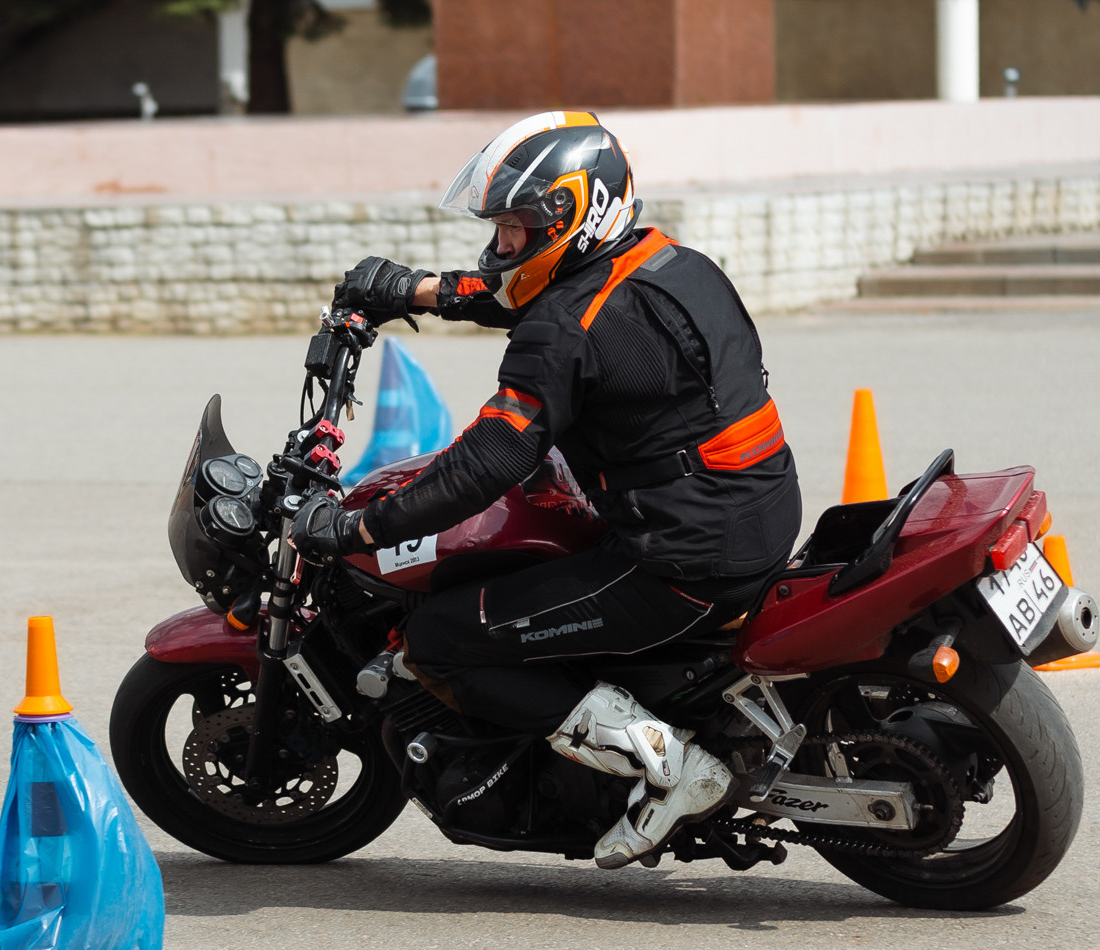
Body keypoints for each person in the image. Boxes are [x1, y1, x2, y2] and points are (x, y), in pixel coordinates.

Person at [297, 111, 803, 868]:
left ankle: (669, 764)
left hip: (681, 559)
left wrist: (358, 528)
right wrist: (415, 289)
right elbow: (517, 293)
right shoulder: (668, 263)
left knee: (443, 638)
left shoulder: (566, 326)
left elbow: (486, 462)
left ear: (569, 215)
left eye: (515, 227)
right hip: (753, 507)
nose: (502, 245)